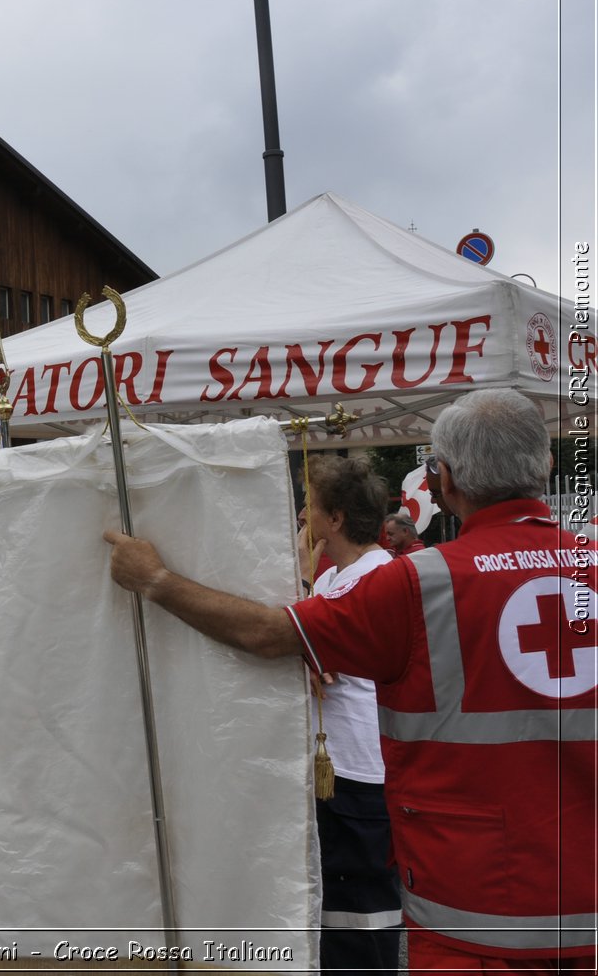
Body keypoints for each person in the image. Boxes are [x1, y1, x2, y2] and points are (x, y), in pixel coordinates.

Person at [104, 389, 596, 972]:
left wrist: (156, 579)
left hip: (472, 917)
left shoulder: (419, 584)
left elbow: (269, 634)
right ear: (545, 466)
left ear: (446, 479)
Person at [299, 457, 402, 972]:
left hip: (359, 773)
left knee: (361, 918)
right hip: (335, 770)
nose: (302, 515)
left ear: (335, 519)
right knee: (333, 915)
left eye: (310, 507)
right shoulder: (334, 578)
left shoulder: (376, 575)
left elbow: (319, 659)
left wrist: (296, 582)